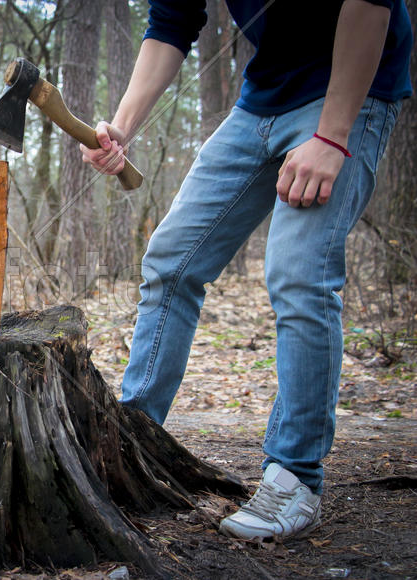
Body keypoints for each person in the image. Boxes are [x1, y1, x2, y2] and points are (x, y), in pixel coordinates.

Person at [82, 0, 412, 541]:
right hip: (260, 103)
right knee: (171, 259)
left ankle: (294, 478)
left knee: (299, 273)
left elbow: (369, 3)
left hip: (349, 91)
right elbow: (170, 26)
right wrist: (121, 127)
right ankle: (134, 442)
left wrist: (331, 137)